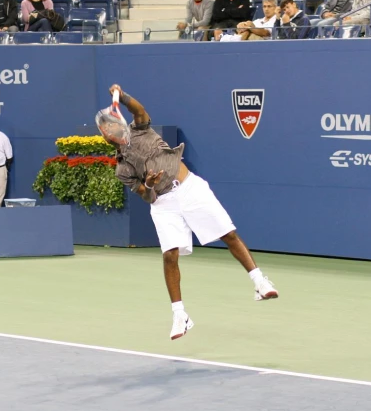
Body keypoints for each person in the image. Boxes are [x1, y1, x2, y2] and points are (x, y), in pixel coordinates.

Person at [100, 84, 278, 341]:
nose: (110, 129)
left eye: (111, 124)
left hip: (190, 188)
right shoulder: (122, 169)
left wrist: (123, 96)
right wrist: (149, 184)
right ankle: (180, 314)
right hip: (163, 204)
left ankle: (260, 282)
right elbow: (146, 196)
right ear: (106, 137)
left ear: (119, 123)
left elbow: (138, 110)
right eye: (105, 129)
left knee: (228, 235)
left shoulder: (140, 128)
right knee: (169, 256)